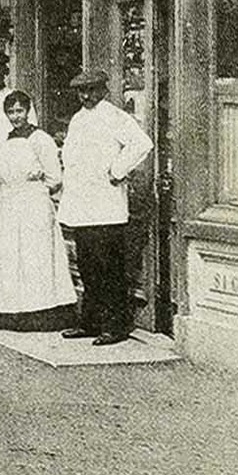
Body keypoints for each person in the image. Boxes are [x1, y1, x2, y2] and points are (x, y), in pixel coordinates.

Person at [57, 68, 154, 346]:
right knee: (87, 266)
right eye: (81, 91)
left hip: (105, 205)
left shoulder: (114, 116)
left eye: (91, 90)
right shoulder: (77, 119)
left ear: (103, 90)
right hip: (82, 205)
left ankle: (116, 325)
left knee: (108, 267)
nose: (85, 96)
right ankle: (90, 321)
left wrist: (117, 170)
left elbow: (141, 144)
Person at [0, 90, 78, 330]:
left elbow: (55, 178)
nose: (16, 117)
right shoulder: (3, 141)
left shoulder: (40, 139)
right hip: (7, 205)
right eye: (11, 112)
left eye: (19, 111)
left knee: (35, 257)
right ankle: (10, 311)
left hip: (33, 204)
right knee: (9, 258)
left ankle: (40, 313)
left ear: (28, 111)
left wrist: (34, 187)